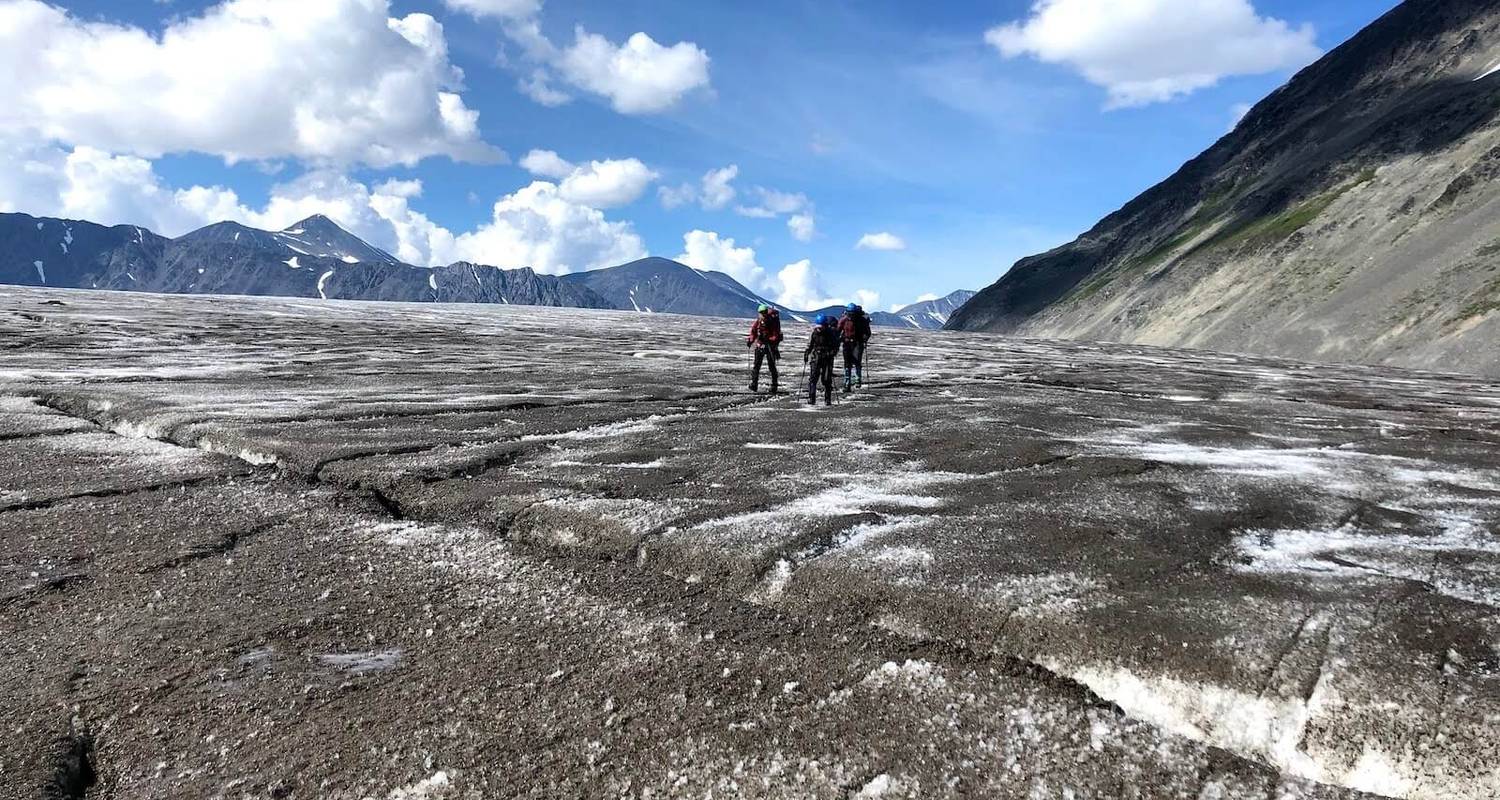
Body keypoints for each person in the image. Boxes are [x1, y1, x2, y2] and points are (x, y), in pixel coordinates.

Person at [803, 314, 842, 406]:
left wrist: (831, 354)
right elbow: (810, 345)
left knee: (826, 379)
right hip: (816, 357)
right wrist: (806, 353)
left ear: (825, 325)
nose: (819, 329)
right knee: (813, 379)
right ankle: (811, 399)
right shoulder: (814, 333)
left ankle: (827, 400)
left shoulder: (830, 334)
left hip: (827, 358)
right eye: (818, 327)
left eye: (821, 327)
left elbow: (835, 347)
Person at [746, 304, 783, 393]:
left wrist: (768, 339)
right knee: (757, 366)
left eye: (763, 312)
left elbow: (775, 335)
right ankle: (754, 384)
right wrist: (750, 340)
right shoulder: (758, 322)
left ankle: (774, 385)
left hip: (770, 346)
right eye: (761, 313)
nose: (762, 314)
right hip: (761, 345)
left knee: (771, 366)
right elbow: (753, 332)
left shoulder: (772, 322)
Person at [837, 303, 873, 392]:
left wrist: (864, 338)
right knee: (847, 363)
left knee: (857, 360)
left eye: (852, 314)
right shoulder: (844, 320)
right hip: (847, 342)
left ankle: (857, 380)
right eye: (850, 314)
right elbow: (838, 330)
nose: (851, 316)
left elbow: (868, 332)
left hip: (857, 343)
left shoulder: (861, 320)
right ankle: (847, 383)